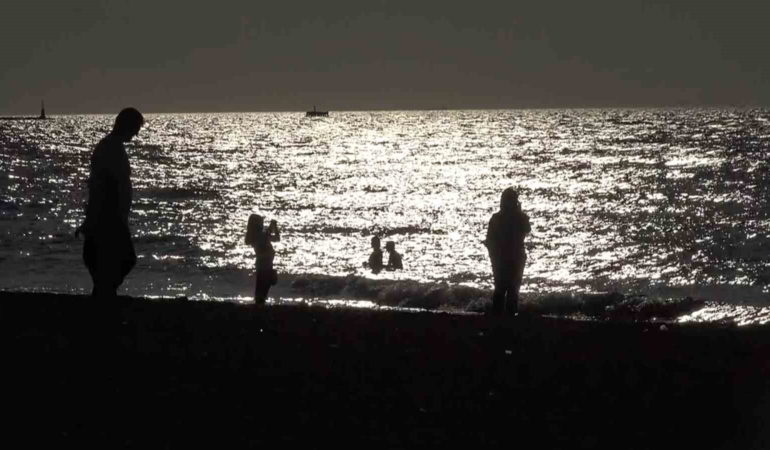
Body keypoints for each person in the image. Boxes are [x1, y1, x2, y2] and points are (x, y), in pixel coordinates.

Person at [76, 107, 144, 298]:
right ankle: (105, 293)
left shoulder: (111, 146)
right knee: (124, 259)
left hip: (111, 215)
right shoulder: (110, 148)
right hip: (109, 215)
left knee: (108, 261)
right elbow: (101, 186)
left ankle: (105, 293)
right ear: (127, 125)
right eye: (135, 128)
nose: (137, 133)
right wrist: (94, 216)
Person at [485, 187, 531, 316]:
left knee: (501, 289)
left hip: (502, 259)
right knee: (512, 290)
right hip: (515, 258)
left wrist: (493, 256)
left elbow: (489, 241)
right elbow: (527, 229)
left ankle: (498, 319)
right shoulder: (519, 218)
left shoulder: (496, 218)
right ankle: (509, 320)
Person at [245, 214, 280, 304]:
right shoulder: (261, 236)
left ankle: (258, 308)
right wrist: (274, 226)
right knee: (262, 291)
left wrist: (273, 227)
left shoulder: (258, 236)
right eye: (261, 223)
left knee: (261, 291)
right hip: (265, 266)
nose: (262, 224)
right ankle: (259, 310)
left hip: (264, 266)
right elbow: (276, 238)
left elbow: (274, 237)